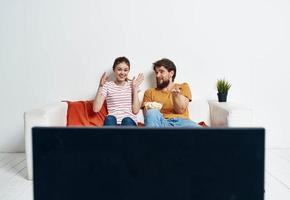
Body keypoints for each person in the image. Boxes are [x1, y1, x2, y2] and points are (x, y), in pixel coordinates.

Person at [142, 58, 200, 127]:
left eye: (161, 72)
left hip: (182, 123)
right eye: (156, 72)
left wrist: (176, 96)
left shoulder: (183, 87)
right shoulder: (149, 92)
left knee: (200, 132)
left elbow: (180, 110)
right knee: (152, 112)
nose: (157, 75)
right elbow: (148, 116)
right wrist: (152, 108)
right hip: (162, 123)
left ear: (171, 73)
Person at [93, 56, 144, 126]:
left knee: (127, 120)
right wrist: (101, 86)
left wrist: (135, 88)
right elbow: (96, 109)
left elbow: (135, 111)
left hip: (129, 123)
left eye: (125, 70)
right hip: (113, 123)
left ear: (128, 71)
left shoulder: (132, 85)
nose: (122, 73)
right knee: (110, 118)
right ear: (114, 70)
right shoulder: (107, 85)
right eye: (119, 69)